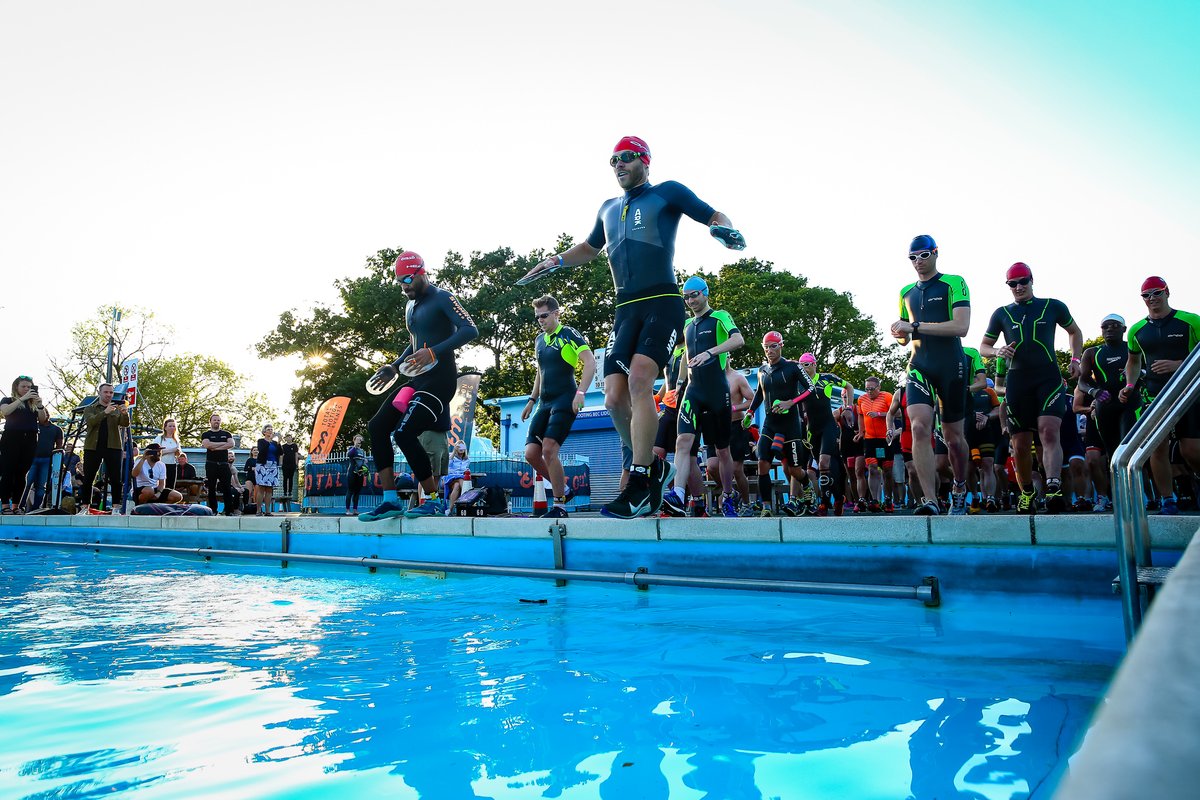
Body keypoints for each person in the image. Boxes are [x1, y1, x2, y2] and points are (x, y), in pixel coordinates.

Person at [521, 136, 744, 519]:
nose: (618, 164)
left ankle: (640, 480)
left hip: (661, 303)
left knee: (642, 380)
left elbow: (712, 214)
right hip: (625, 309)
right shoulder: (607, 208)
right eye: (613, 160)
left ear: (644, 160)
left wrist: (725, 230)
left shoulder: (666, 192)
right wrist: (555, 259)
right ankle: (653, 468)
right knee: (612, 397)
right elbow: (590, 249)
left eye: (626, 157)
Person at [361, 250, 479, 521]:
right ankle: (390, 500)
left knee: (404, 434)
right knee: (377, 427)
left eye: (407, 279)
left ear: (421, 273)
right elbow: (417, 341)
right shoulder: (411, 305)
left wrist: (434, 352)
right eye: (399, 281)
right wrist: (394, 366)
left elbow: (470, 329)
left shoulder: (442, 297)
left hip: (440, 381)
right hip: (417, 379)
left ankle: (435, 501)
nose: (403, 286)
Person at [980, 262, 1083, 513]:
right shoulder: (1001, 313)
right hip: (1018, 381)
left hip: (1047, 377)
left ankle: (1053, 486)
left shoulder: (1052, 306)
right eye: (1012, 284)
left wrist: (1076, 359)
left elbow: (1074, 331)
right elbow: (984, 346)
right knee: (1021, 443)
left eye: (1022, 281)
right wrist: (996, 352)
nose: (1018, 287)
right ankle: (1026, 492)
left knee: (1049, 431)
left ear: (1031, 280)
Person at [889, 235, 972, 516]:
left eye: (923, 255)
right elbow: (906, 337)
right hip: (919, 366)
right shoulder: (905, 292)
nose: (917, 262)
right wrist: (900, 333)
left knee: (953, 438)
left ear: (935, 254)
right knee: (919, 428)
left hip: (951, 365)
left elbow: (961, 327)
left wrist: (914, 326)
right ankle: (930, 499)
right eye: (912, 257)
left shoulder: (954, 283)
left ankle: (960, 486)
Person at [1120, 276, 1200, 515]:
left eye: (1156, 293)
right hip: (1154, 395)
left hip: (1188, 391)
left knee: (1191, 449)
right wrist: (1130, 385)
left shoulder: (1191, 321)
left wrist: (1178, 365)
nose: (1152, 299)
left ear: (1167, 292)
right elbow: (1133, 362)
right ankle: (1168, 498)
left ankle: (1195, 477)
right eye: (1146, 295)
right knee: (1157, 447)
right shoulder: (1137, 330)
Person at [672, 276, 745, 517]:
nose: (691, 300)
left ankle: (727, 495)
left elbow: (738, 339)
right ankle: (679, 495)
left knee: (722, 451)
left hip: (716, 390)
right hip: (694, 390)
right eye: (687, 297)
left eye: (694, 295)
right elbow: (685, 356)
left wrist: (710, 353)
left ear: (705, 293)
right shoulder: (687, 325)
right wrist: (679, 383)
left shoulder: (720, 316)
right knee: (683, 441)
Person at [522, 295, 596, 519]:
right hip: (544, 402)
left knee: (549, 450)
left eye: (544, 315)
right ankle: (563, 489)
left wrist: (580, 392)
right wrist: (531, 399)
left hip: (565, 399)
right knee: (531, 454)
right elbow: (539, 372)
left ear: (556, 313)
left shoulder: (569, 334)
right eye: (537, 317)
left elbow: (590, 361)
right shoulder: (539, 340)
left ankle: (560, 506)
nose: (540, 320)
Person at [746, 332, 816, 515]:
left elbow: (810, 388)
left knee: (794, 470)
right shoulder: (762, 370)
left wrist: (791, 402)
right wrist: (750, 412)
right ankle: (766, 507)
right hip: (770, 424)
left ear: (781, 345)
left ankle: (807, 486)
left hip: (790, 425)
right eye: (766, 347)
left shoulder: (792, 367)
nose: (770, 350)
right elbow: (760, 394)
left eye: (773, 346)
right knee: (762, 464)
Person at [1077, 313, 1136, 511]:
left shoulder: (1133, 348)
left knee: (1127, 450)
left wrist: (1136, 377)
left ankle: (1136, 494)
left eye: (1114, 325)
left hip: (1129, 402)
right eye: (1105, 326)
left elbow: (1145, 369)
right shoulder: (1092, 353)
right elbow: (1082, 381)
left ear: (1124, 329)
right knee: (1108, 454)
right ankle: (1104, 497)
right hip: (1104, 404)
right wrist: (1095, 391)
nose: (1109, 329)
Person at [78, 382, 130, 514]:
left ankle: (116, 508)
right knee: (89, 477)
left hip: (113, 446)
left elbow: (125, 424)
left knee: (115, 479)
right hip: (93, 447)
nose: (108, 395)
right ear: (99, 392)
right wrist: (105, 412)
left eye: (111, 392)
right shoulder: (90, 408)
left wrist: (124, 413)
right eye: (106, 392)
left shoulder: (116, 409)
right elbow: (91, 422)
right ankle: (85, 507)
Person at [1, 376, 50, 513]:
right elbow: (5, 411)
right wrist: (22, 399)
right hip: (12, 437)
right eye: (23, 386)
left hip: (30, 438)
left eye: (29, 387)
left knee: (22, 473)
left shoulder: (32, 404)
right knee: (8, 471)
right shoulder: (8, 400)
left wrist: (39, 405)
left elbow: (42, 420)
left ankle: (17, 505)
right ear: (16, 387)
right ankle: (5, 505)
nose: (27, 389)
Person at [854, 376, 894, 512]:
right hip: (870, 438)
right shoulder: (861, 399)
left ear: (879, 388)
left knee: (887, 469)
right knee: (872, 467)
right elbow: (860, 415)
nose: (869, 392)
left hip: (885, 438)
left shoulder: (887, 396)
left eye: (872, 389)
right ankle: (875, 500)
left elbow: (897, 412)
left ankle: (888, 499)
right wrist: (861, 431)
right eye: (867, 389)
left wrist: (879, 414)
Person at [23, 415, 63, 510]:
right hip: (31, 459)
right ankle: (21, 506)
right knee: (26, 483)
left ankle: (37, 508)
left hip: (47, 460)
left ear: (47, 415)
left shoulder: (56, 429)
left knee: (41, 485)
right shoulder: (32, 426)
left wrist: (57, 460)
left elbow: (59, 446)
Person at [201, 413, 238, 516]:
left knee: (227, 487)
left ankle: (229, 510)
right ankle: (213, 510)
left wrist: (215, 447)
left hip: (223, 464)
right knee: (211, 488)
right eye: (214, 420)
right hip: (211, 464)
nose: (216, 422)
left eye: (218, 420)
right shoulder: (206, 434)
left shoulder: (226, 434)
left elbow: (231, 444)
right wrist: (223, 444)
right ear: (210, 422)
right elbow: (207, 444)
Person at [255, 425, 282, 515]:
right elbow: (262, 450)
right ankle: (258, 509)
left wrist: (278, 442)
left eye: (271, 429)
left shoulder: (274, 443)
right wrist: (269, 440)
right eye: (268, 430)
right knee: (261, 488)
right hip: (263, 465)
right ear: (264, 432)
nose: (270, 431)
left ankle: (268, 510)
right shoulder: (261, 441)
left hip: (273, 465)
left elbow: (280, 452)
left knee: (269, 489)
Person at [152, 419, 182, 489]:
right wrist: (171, 450)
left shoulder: (176, 440)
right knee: (160, 485)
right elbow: (155, 452)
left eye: (174, 426)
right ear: (165, 428)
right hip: (160, 464)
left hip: (172, 465)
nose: (172, 428)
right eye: (170, 426)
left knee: (170, 486)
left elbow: (179, 454)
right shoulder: (159, 438)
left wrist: (177, 452)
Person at [443, 441, 471, 512]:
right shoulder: (451, 456)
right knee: (461, 480)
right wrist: (454, 451)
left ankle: (450, 510)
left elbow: (465, 469)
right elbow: (447, 465)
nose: (461, 448)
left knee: (457, 486)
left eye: (462, 447)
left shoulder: (467, 460)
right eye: (459, 447)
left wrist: (467, 470)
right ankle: (467, 500)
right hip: (449, 478)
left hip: (458, 479)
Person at [345, 434, 368, 516]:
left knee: (357, 492)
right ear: (354, 440)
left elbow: (364, 462)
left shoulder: (362, 451)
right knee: (350, 490)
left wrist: (366, 467)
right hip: (352, 472)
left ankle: (355, 509)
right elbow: (349, 455)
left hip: (359, 473)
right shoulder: (351, 448)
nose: (359, 442)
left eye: (360, 440)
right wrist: (355, 446)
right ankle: (347, 510)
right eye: (357, 440)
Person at [281, 433, 300, 505]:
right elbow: (282, 455)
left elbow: (296, 454)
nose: (288, 438)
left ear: (291, 438)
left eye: (290, 437)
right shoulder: (283, 446)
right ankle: (285, 492)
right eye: (287, 437)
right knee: (285, 478)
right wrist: (281, 463)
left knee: (291, 478)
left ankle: (290, 492)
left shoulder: (294, 445)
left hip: (292, 464)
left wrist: (296, 463)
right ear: (285, 439)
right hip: (285, 464)